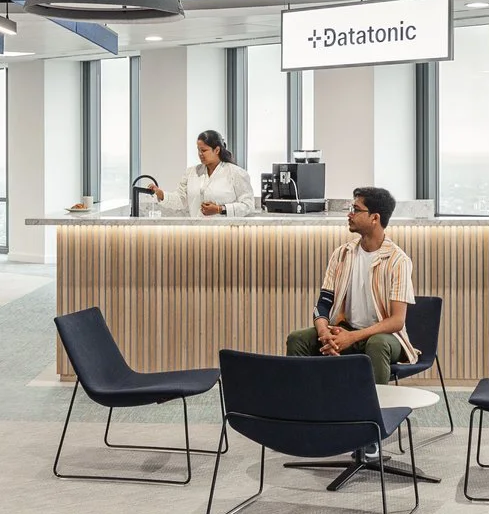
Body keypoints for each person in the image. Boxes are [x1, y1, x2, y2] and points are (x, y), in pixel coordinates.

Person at [283, 186, 416, 387]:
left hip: (384, 337)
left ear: (375, 218)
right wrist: (324, 334)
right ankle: (305, 406)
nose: (349, 214)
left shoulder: (398, 261)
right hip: (343, 330)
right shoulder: (342, 254)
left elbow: (397, 321)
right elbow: (323, 304)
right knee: (297, 339)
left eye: (356, 209)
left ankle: (376, 413)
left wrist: (352, 338)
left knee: (377, 344)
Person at [171, 129, 256, 216]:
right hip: (197, 228)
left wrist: (220, 209)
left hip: (225, 228)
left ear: (217, 150)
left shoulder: (236, 173)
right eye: (198, 150)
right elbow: (180, 200)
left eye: (204, 150)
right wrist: (160, 195)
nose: (200, 154)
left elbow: (248, 206)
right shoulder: (191, 173)